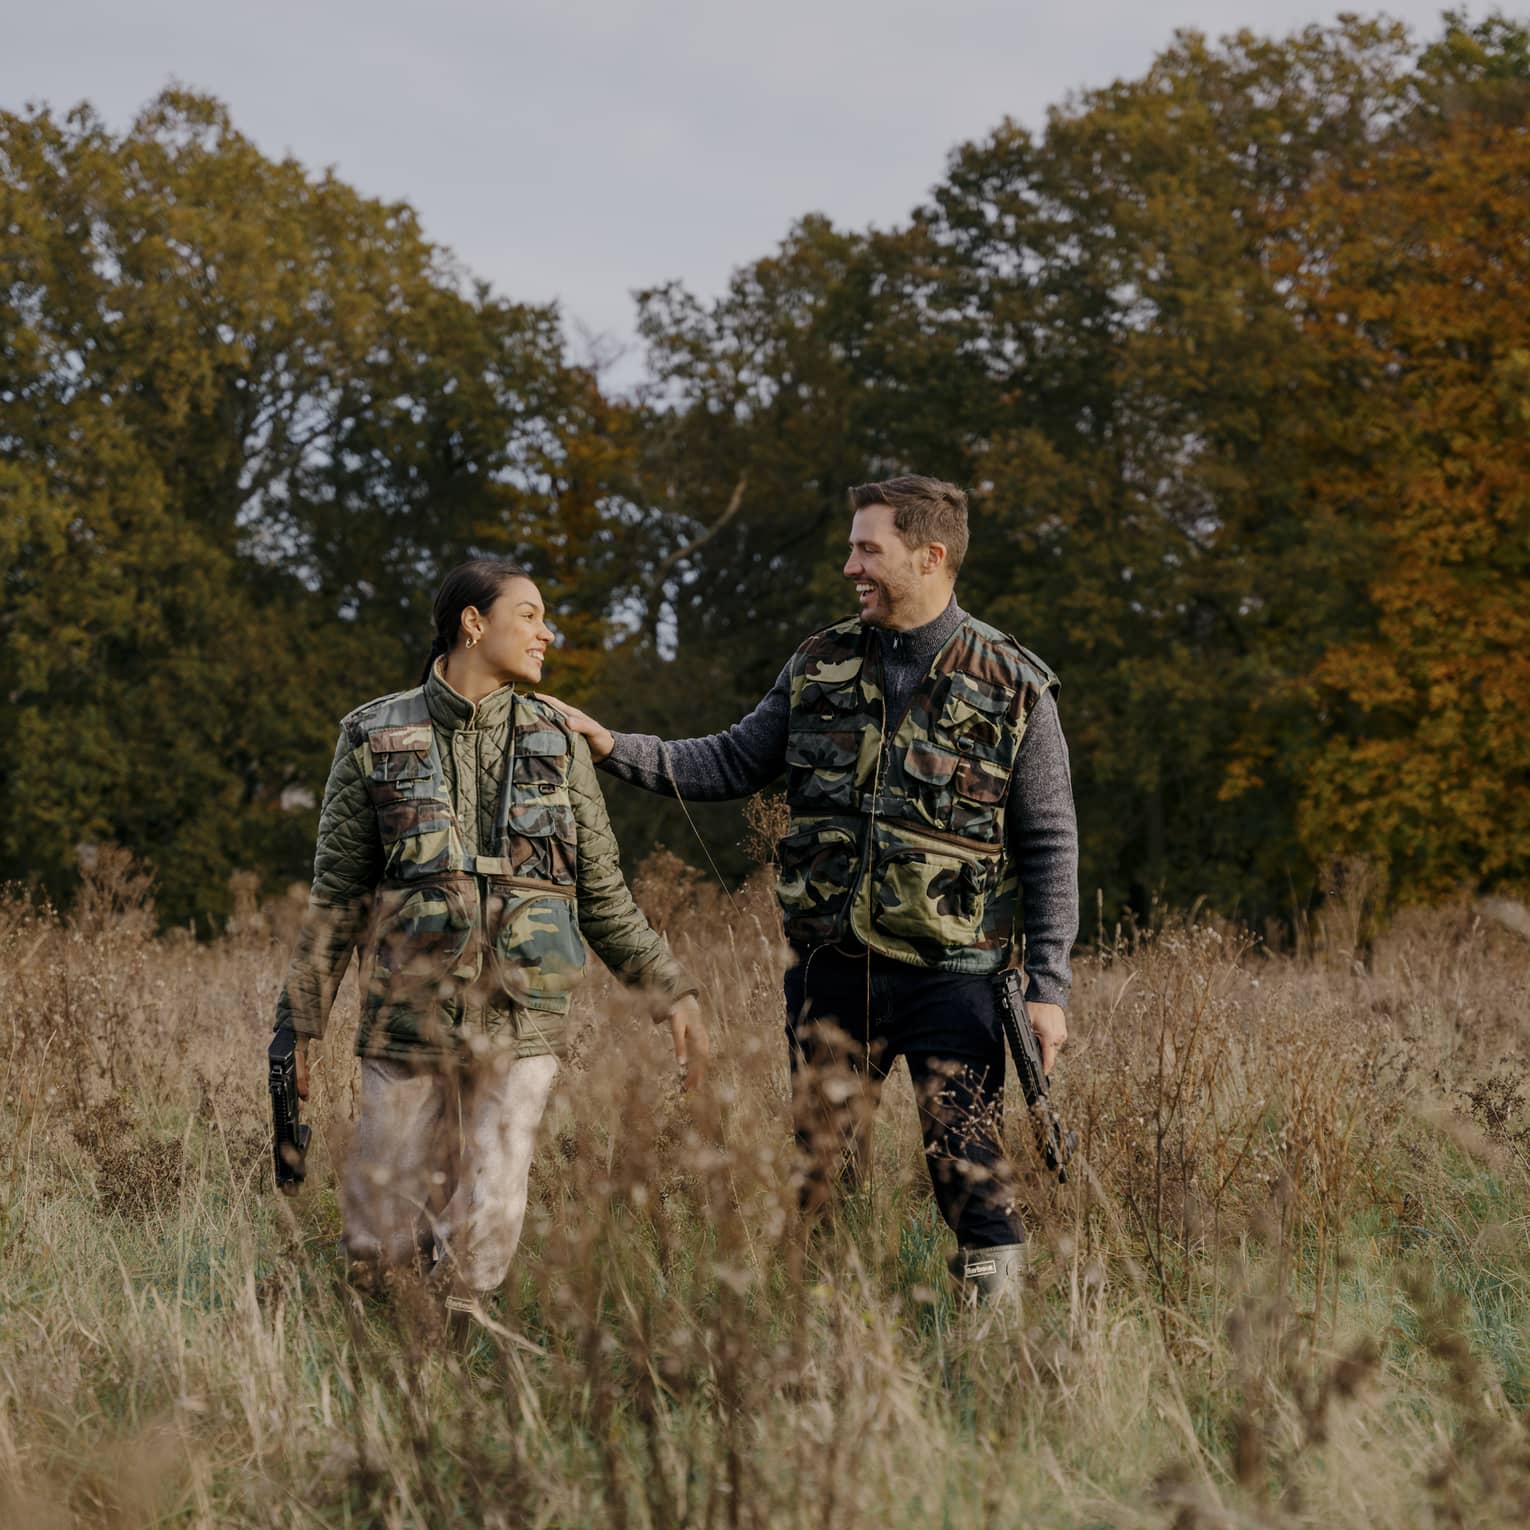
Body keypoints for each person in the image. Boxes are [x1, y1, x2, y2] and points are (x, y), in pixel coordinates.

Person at [545, 477, 1078, 1301]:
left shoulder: (1015, 685)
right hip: (831, 971)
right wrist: (612, 744)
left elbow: (1048, 840)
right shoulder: (818, 662)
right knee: (821, 1175)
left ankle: (995, 1333)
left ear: (929, 556)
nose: (849, 565)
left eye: (869, 548)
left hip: (956, 978)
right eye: (852, 547)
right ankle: (823, 1327)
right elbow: (725, 760)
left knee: (968, 1172)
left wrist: (1047, 984)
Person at [272, 558, 706, 1308]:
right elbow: (337, 894)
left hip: (522, 1019)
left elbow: (601, 891)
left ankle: (457, 1349)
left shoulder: (559, 740)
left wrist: (670, 990)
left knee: (489, 1218)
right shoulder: (372, 734)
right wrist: (299, 1024)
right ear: (474, 623)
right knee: (381, 1233)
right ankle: (383, 1351)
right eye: (530, 615)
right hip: (406, 1020)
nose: (547, 633)